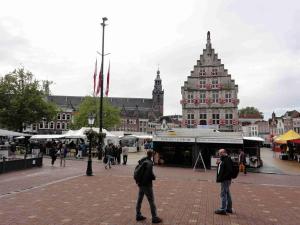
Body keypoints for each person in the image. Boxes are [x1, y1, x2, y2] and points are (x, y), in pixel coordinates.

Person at [135, 150, 162, 223]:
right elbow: (149, 174)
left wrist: (139, 182)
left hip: (140, 184)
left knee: (139, 200)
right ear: (152, 155)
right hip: (147, 185)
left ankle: (138, 215)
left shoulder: (143, 160)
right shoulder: (149, 163)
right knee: (151, 201)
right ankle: (154, 217)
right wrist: (153, 177)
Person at [215, 148, 233, 215]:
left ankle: (223, 209)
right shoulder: (223, 159)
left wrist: (223, 178)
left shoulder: (227, 159)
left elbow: (229, 171)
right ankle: (229, 208)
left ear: (224, 153)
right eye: (219, 153)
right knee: (227, 193)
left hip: (225, 180)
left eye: (220, 153)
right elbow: (223, 168)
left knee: (223, 194)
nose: (219, 154)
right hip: (225, 179)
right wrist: (218, 164)